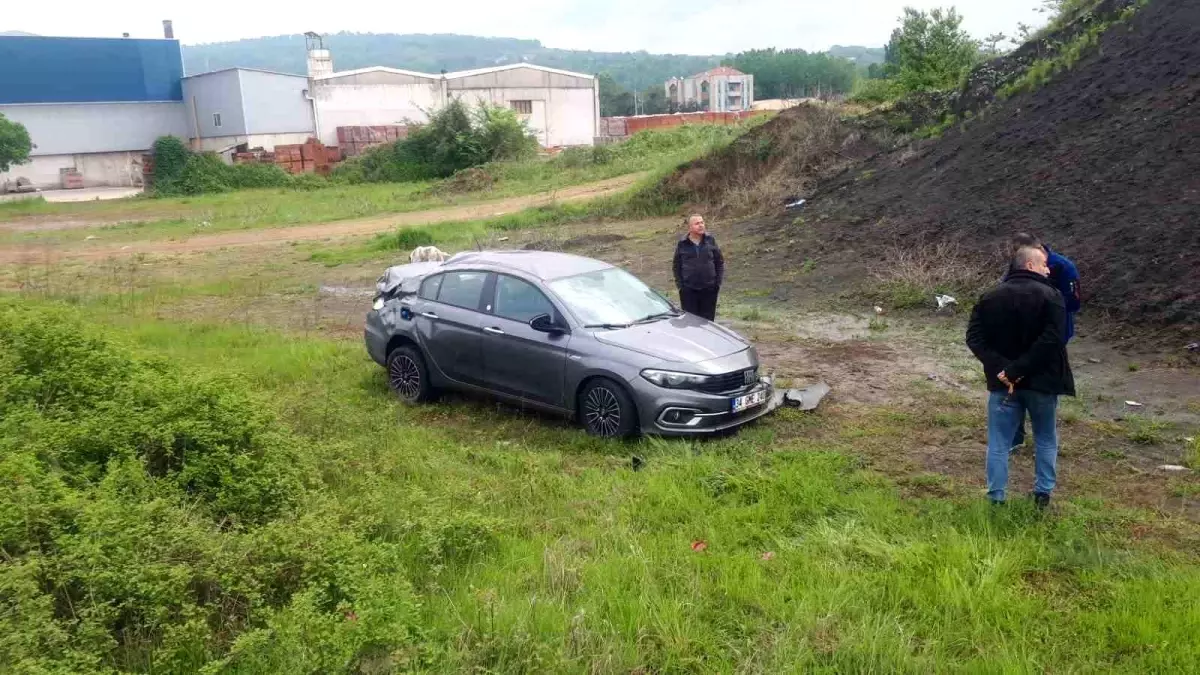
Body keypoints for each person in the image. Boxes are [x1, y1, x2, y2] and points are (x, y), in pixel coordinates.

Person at [967, 246, 1075, 508]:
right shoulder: (1052, 296)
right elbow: (1053, 340)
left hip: (1003, 384)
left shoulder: (989, 297)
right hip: (1042, 383)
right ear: (1029, 265)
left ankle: (996, 499)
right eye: (1043, 264)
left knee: (999, 442)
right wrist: (1018, 369)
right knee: (1045, 437)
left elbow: (974, 338)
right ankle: (1042, 495)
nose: (1048, 269)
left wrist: (1004, 370)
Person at [1005, 233, 1081, 451]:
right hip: (1019, 334)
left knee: (1043, 383)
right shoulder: (1018, 265)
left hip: (1052, 336)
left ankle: (1044, 434)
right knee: (1015, 380)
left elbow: (1074, 302)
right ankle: (1016, 436)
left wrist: (1045, 309)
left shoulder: (1063, 267)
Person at [672, 214, 724, 321]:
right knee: (691, 322)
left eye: (702, 222)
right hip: (689, 291)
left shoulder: (710, 240)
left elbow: (719, 262)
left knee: (708, 322)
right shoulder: (682, 244)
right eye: (697, 223)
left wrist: (717, 284)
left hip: (709, 290)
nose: (701, 225)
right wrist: (681, 287)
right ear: (690, 227)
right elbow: (676, 266)